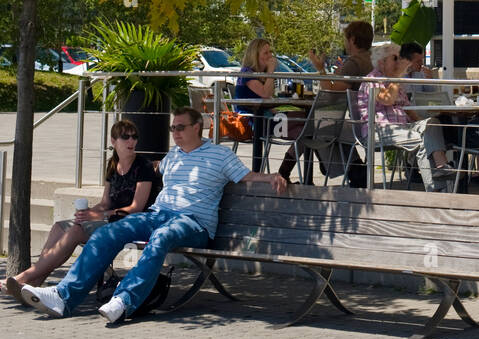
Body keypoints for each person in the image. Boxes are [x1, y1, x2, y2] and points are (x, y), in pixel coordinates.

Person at [19, 106, 286, 324]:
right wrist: (123, 163)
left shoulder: (219, 155)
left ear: (197, 127)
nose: (175, 132)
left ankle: (123, 300)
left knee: (161, 236)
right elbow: (151, 170)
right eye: (172, 128)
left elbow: (247, 176)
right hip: (159, 213)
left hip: (194, 223)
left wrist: (273, 176)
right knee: (108, 232)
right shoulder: (173, 156)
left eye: (180, 127)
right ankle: (63, 297)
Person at [2, 119, 160, 302]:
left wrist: (99, 215)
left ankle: (24, 278)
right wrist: (88, 213)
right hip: (109, 219)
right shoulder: (112, 165)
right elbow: (105, 202)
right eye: (125, 137)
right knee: (60, 227)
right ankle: (34, 285)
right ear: (113, 141)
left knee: (76, 231)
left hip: (130, 223)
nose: (131, 141)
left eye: (134, 137)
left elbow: (136, 208)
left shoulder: (143, 166)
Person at [277, 20, 375, 183]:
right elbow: (338, 86)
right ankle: (354, 168)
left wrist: (320, 69)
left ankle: (284, 174)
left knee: (311, 128)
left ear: (351, 39)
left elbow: (330, 93)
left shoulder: (354, 62)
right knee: (316, 126)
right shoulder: (370, 60)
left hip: (359, 125)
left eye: (345, 39)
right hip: (366, 120)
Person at [356, 44, 456, 190]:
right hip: (380, 130)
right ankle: (435, 190)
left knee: (432, 123)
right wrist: (398, 76)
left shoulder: (393, 81)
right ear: (381, 62)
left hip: (401, 128)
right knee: (421, 140)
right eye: (395, 58)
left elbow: (408, 110)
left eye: (400, 58)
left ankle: (441, 166)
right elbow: (387, 99)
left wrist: (423, 125)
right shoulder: (373, 79)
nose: (399, 61)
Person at [235, 37, 280, 174]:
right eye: (265, 53)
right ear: (255, 55)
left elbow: (268, 98)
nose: (270, 56)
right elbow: (266, 94)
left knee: (304, 124)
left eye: (270, 52)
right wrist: (271, 71)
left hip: (265, 118)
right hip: (253, 121)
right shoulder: (247, 73)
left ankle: (285, 172)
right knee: (304, 127)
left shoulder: (260, 75)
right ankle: (284, 172)